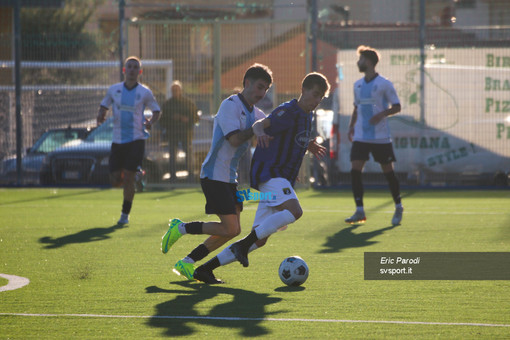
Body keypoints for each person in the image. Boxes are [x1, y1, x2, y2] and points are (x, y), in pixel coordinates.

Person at [192, 72, 330, 283]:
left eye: (321, 97)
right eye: (315, 94)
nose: (317, 100)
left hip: (280, 177)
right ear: (303, 90)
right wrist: (260, 132)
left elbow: (293, 143)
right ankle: (241, 245)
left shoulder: (307, 116)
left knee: (260, 239)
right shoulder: (288, 110)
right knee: (295, 211)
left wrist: (307, 145)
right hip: (269, 173)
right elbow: (260, 125)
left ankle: (205, 269)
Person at [161, 63, 273, 281]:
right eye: (259, 87)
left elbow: (272, 129)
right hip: (213, 175)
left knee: (232, 230)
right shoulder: (229, 106)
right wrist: (257, 129)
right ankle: (181, 227)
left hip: (230, 179)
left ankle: (187, 262)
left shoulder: (257, 113)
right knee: (231, 227)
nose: (262, 94)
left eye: (266, 90)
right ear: (247, 83)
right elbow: (234, 139)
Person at [97, 56, 161, 225]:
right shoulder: (114, 89)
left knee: (128, 179)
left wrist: (150, 122)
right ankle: (138, 175)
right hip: (118, 140)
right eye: (129, 67)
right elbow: (104, 105)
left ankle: (124, 215)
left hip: (136, 139)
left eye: (135, 67)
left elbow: (156, 111)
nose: (132, 70)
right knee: (115, 180)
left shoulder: (145, 92)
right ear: (124, 70)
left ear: (139, 72)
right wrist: (101, 114)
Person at [344, 45, 403, 226]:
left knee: (388, 172)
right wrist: (351, 126)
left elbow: (397, 106)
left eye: (360, 59)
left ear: (368, 62)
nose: (358, 62)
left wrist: (382, 114)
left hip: (380, 137)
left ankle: (398, 205)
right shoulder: (357, 85)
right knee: (355, 170)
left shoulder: (384, 84)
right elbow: (356, 107)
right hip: (361, 136)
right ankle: (359, 210)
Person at [158, 81, 199, 181]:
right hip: (172, 133)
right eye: (173, 90)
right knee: (172, 155)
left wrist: (187, 119)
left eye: (177, 90)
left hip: (186, 133)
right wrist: (171, 119)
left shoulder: (188, 103)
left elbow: (196, 118)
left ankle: (190, 177)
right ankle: (173, 177)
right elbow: (162, 120)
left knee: (188, 155)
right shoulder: (167, 104)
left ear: (181, 90)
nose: (175, 92)